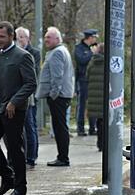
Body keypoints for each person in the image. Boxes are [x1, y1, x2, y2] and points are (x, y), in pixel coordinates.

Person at [0, 21, 36, 195]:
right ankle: (7, 177)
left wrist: (14, 101)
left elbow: (30, 83)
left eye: (2, 37)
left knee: (14, 148)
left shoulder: (22, 56)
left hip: (13, 109)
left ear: (11, 36)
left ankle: (20, 188)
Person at [36, 27, 75, 166]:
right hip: (62, 95)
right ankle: (62, 156)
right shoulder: (61, 50)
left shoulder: (57, 52)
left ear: (57, 39)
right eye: (45, 37)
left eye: (49, 37)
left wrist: (53, 94)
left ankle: (63, 158)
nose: (46, 40)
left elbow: (57, 77)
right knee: (60, 126)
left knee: (60, 127)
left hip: (59, 96)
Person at [15, 27, 41, 168]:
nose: (19, 40)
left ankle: (31, 157)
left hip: (29, 95)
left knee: (30, 126)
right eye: (17, 37)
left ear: (27, 38)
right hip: (15, 95)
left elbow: (33, 74)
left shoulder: (34, 53)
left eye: (22, 37)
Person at [74, 29, 97, 136]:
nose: (95, 39)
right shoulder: (79, 48)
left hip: (92, 80)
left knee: (93, 105)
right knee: (82, 105)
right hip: (82, 80)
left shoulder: (92, 48)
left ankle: (93, 128)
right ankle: (80, 128)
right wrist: (91, 53)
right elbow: (81, 61)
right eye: (94, 37)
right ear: (89, 38)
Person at [85, 43, 105, 152]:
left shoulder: (92, 62)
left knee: (99, 121)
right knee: (105, 121)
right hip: (105, 97)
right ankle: (105, 143)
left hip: (94, 96)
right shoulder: (108, 62)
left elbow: (87, 76)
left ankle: (99, 143)